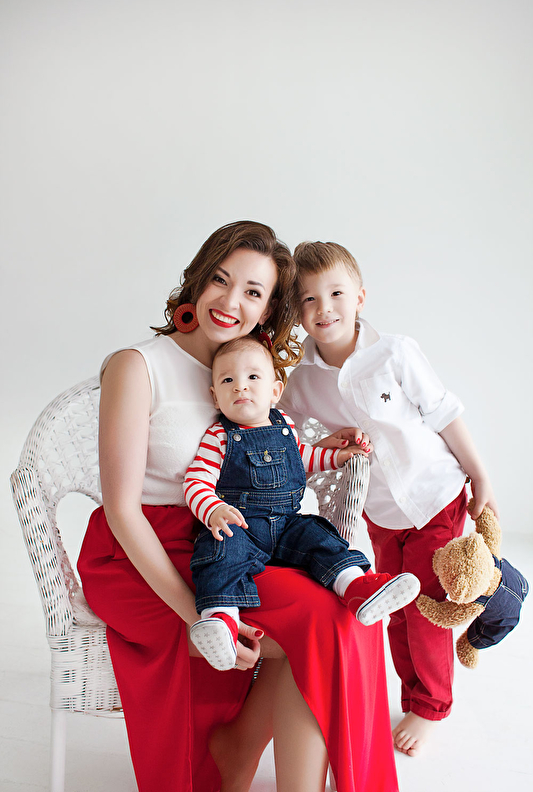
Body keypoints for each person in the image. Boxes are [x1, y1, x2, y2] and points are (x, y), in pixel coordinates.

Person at [77, 222, 400, 792]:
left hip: (229, 540)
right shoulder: (137, 365)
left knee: (342, 616)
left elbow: (287, 442)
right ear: (197, 279)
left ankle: (246, 752)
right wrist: (197, 614)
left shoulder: (253, 370)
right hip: (139, 553)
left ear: (269, 309)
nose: (230, 302)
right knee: (317, 629)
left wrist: (336, 445)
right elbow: (122, 511)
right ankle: (233, 753)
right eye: (220, 280)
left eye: (253, 291)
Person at [281, 240, 498, 759]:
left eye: (336, 293)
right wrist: (327, 442)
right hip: (380, 514)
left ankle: (432, 706)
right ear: (297, 312)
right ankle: (414, 694)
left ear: (359, 296)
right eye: (309, 299)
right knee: (398, 610)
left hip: (436, 495)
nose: (324, 308)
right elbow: (285, 435)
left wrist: (480, 475)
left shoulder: (394, 352)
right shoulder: (303, 380)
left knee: (426, 610)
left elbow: (443, 412)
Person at [185, 336, 420, 671]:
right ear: (215, 396)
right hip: (242, 525)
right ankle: (221, 619)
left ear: (275, 391)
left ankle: (356, 587)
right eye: (227, 380)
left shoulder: (284, 424)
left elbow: (303, 456)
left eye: (253, 377)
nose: (240, 387)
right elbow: (196, 481)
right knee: (221, 552)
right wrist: (213, 510)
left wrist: (336, 457)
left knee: (319, 536)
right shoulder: (219, 436)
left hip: (286, 525)